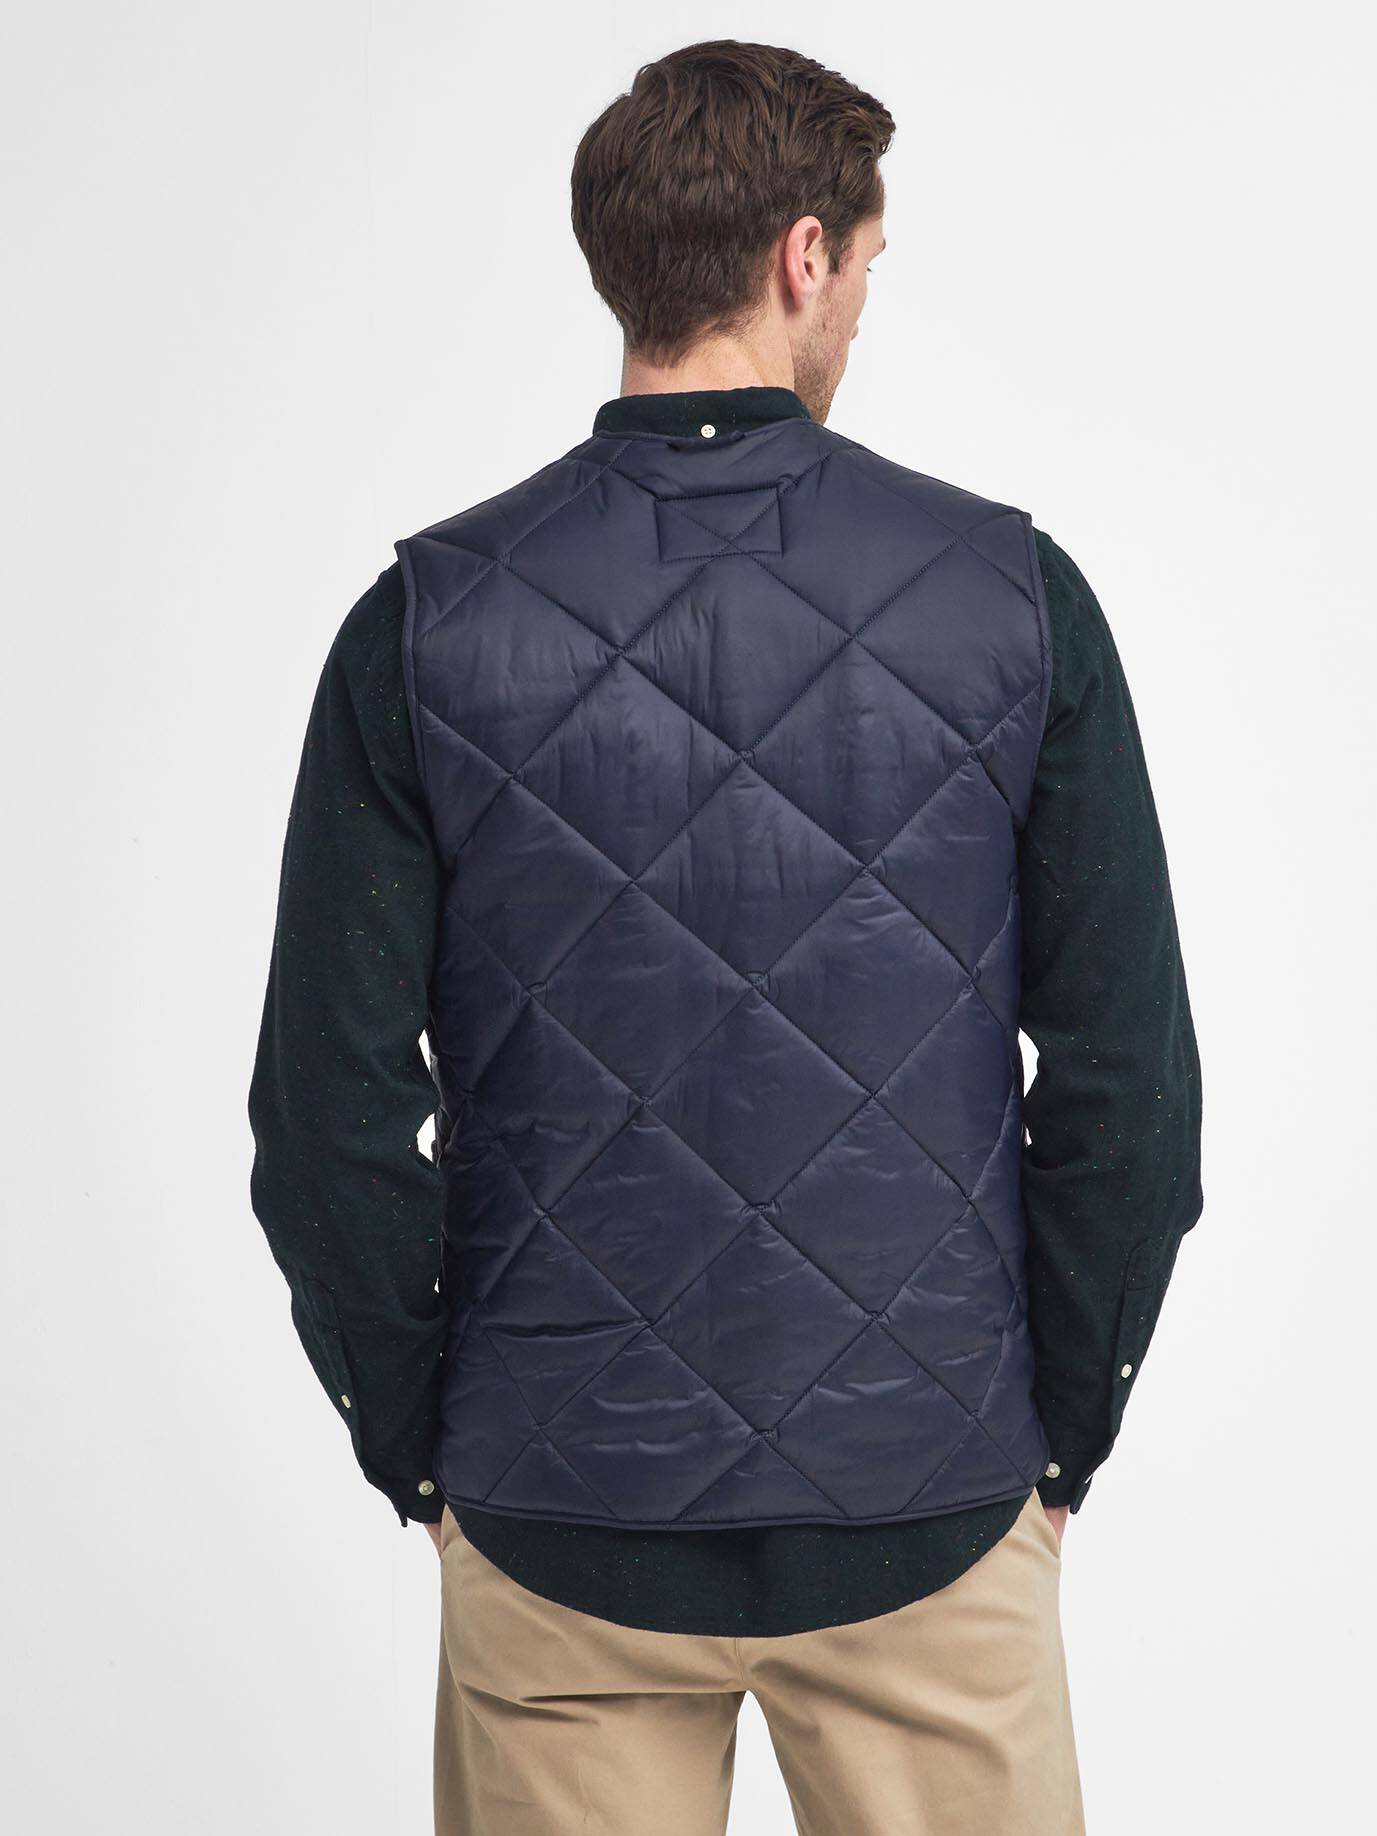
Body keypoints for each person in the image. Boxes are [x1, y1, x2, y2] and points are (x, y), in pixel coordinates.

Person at [248, 37, 1202, 1836]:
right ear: (801, 255)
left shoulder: (424, 625)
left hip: (556, 1521)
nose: (864, 305)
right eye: (868, 261)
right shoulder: (1013, 599)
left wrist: (428, 1455)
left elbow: (325, 1122)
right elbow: (1129, 1089)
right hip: (929, 1503)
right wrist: (1057, 1435)